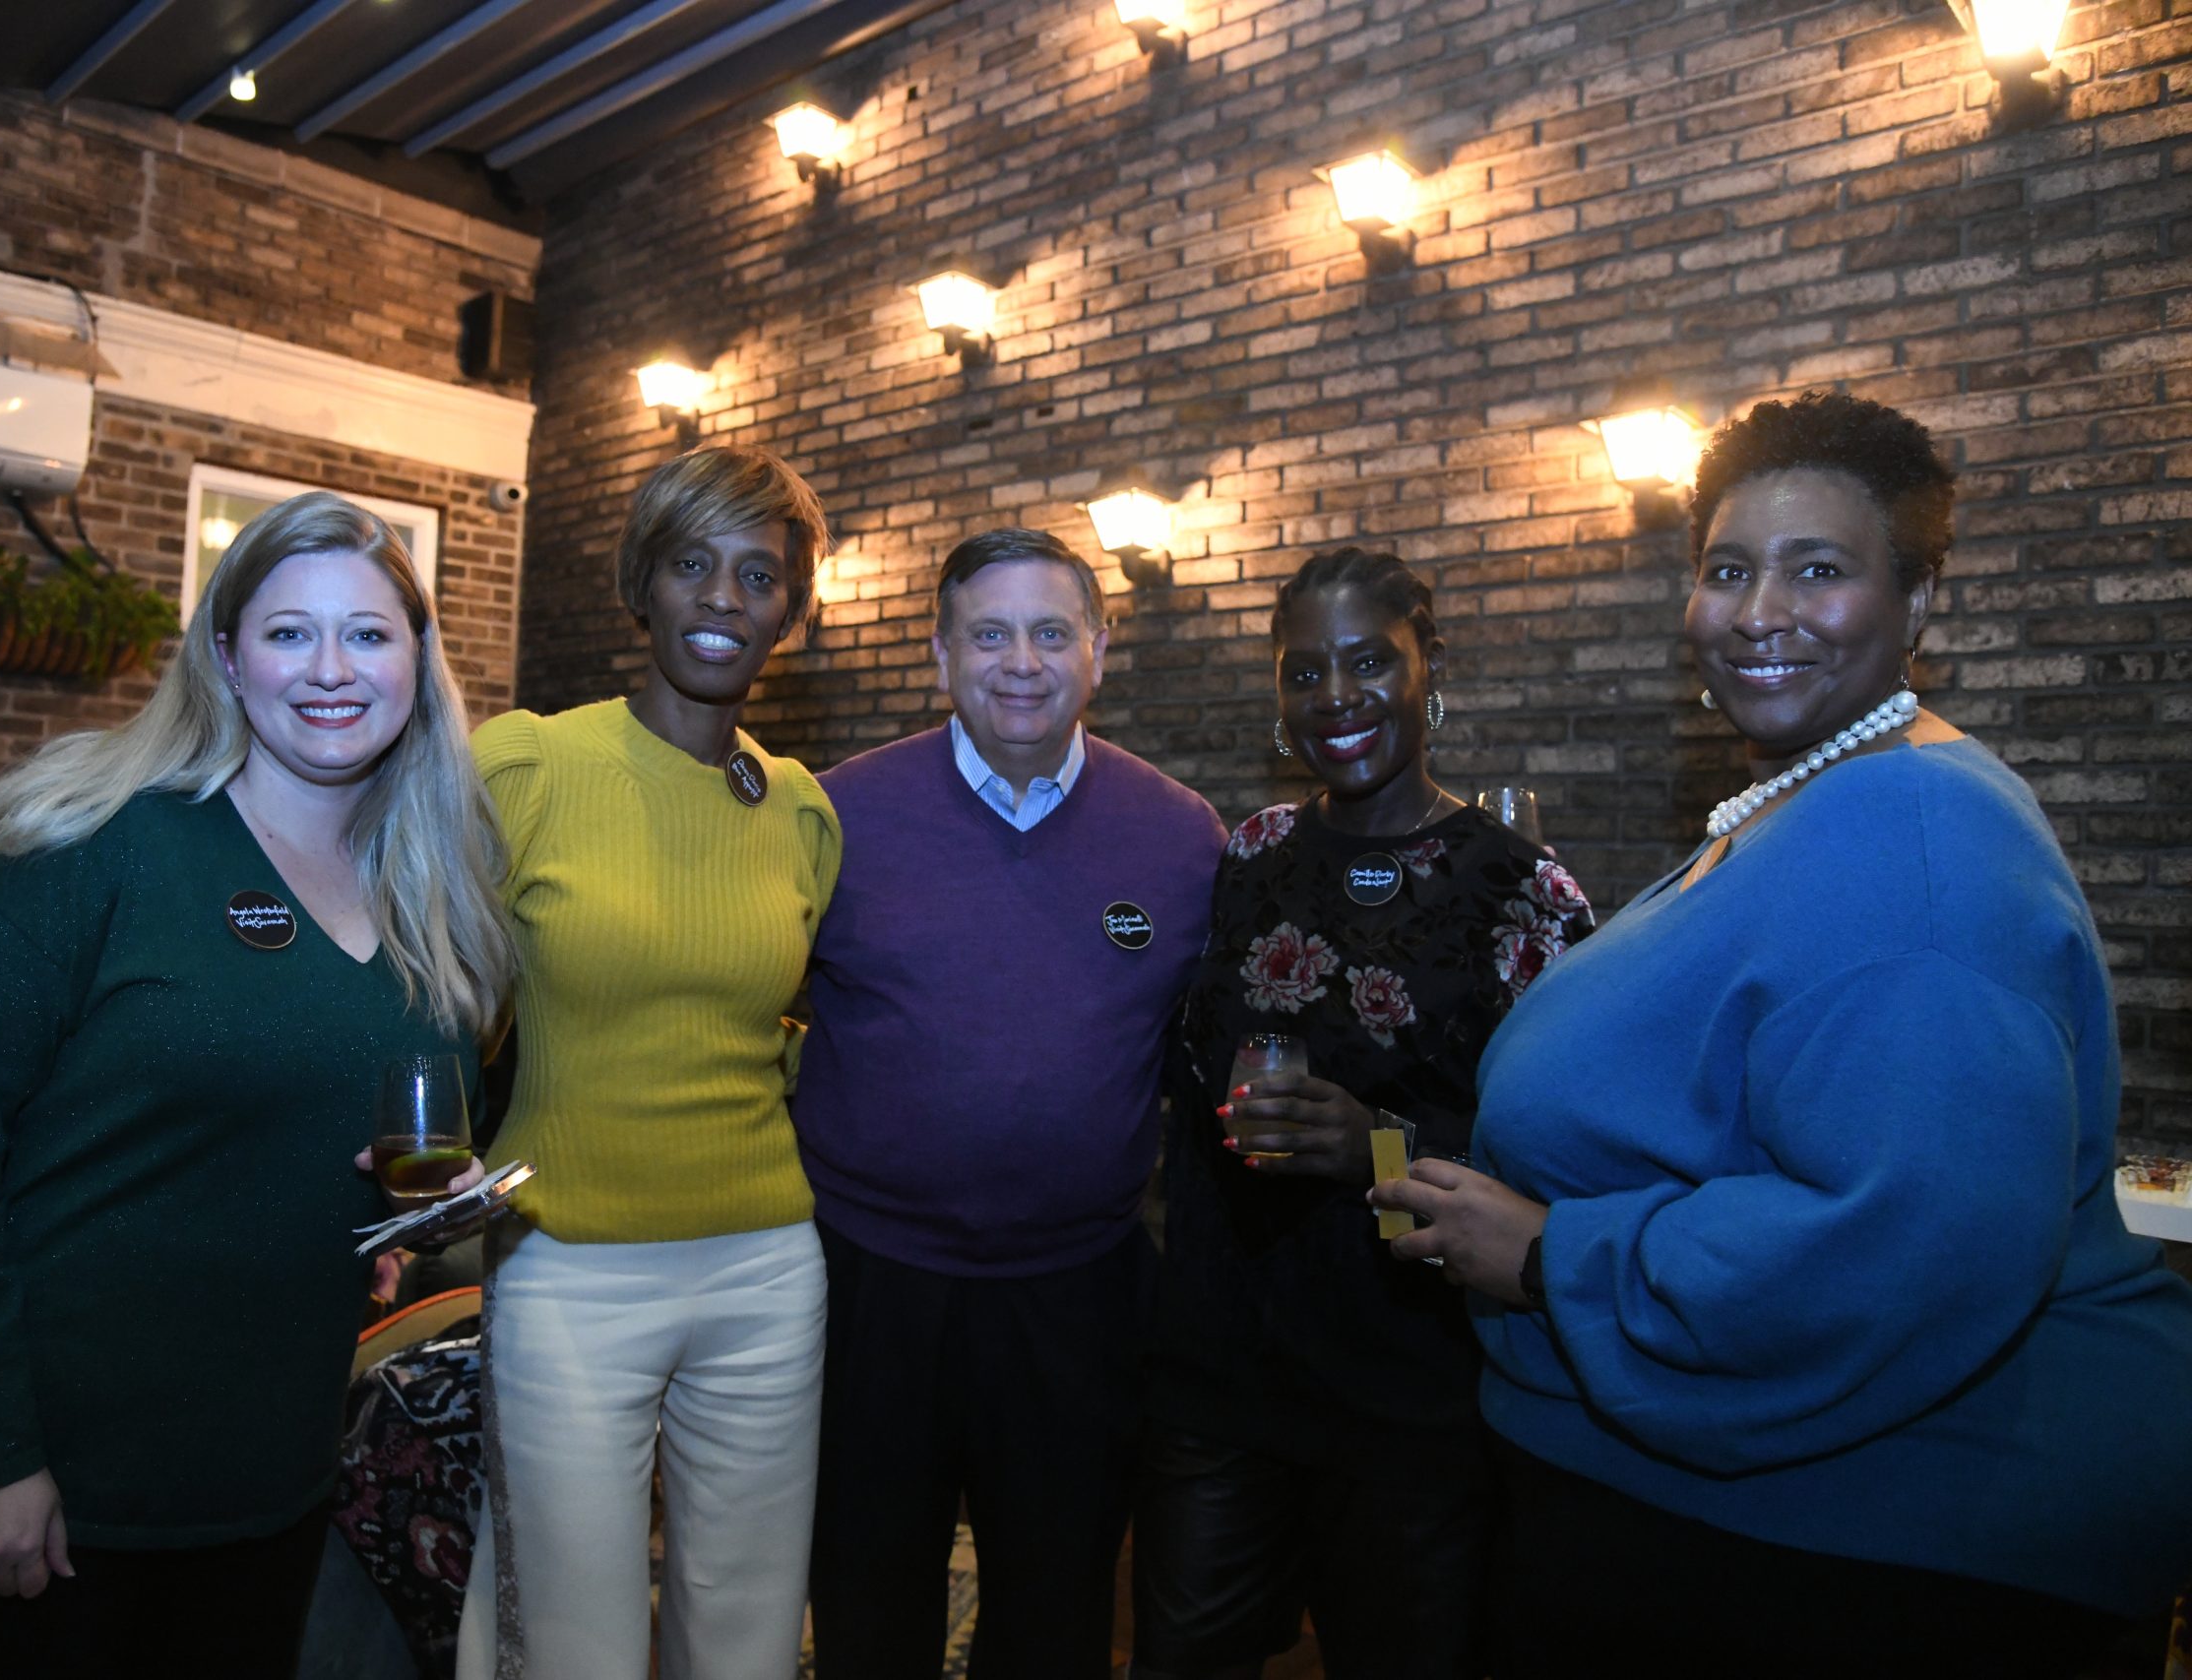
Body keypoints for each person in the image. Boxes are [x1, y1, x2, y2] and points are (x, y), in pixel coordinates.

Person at [1372, 390, 2192, 1675]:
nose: (1759, 610)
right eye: (1727, 569)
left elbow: (1907, 1240)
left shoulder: (1913, 832)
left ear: (1917, 602)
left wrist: (1552, 1257)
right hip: (1752, 1522)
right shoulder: (1807, 798)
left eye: (1819, 569)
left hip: (1877, 1545)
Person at [0, 491, 517, 1679]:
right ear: (226, 657)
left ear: (417, 661)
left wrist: (428, 1191)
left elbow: (364, 1124)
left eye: (367, 633)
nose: (331, 669)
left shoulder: (431, 890)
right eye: (288, 632)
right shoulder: (94, 845)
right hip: (44, 1477)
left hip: (264, 1474)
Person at [1127, 546, 1591, 1680]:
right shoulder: (1249, 859)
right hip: (1222, 1374)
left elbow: (1558, 1166)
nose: (1336, 695)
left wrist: (1370, 1147)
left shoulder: (1519, 890)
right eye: (1304, 672)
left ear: (1430, 665)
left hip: (1409, 1395)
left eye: (1370, 661)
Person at [793, 527, 1226, 1680]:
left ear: (1098, 651)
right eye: (988, 635)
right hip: (868, 1286)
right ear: (940, 657)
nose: (1020, 662)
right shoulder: (834, 818)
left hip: (1078, 1294)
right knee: (865, 1598)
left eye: (1049, 633)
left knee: (1057, 1608)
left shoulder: (1180, 836)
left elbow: (1202, 1055)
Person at [454, 446, 842, 1680]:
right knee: (570, 1631)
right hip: (569, 1265)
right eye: (691, 565)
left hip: (767, 1268)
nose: (724, 598)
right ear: (641, 586)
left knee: (745, 1629)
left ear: (791, 612)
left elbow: (780, 1024)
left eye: (759, 576)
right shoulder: (527, 769)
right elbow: (432, 1002)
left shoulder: (800, 810)